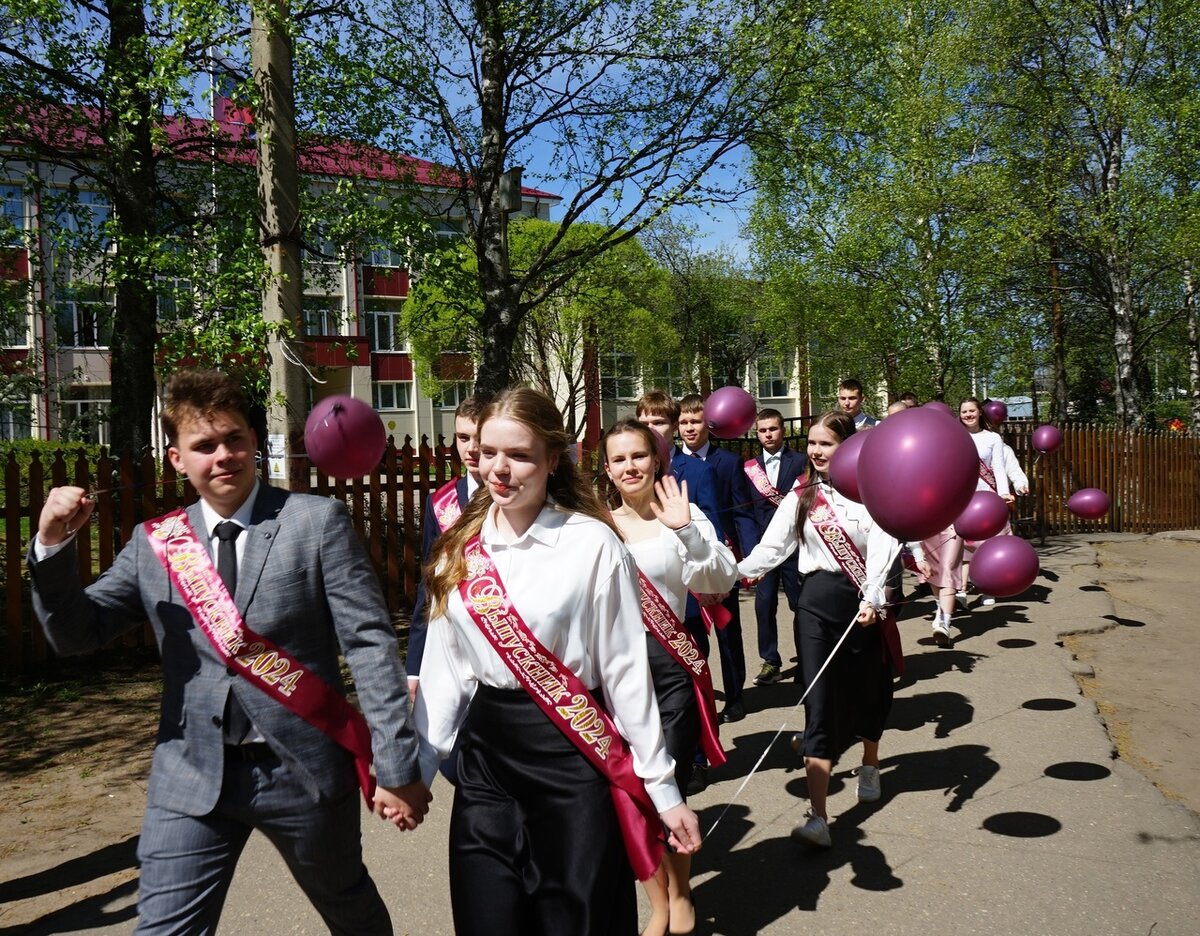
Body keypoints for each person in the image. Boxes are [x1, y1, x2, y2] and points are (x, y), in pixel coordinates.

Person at [28, 369, 431, 935]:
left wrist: (394, 764)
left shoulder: (314, 524)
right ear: (176, 459)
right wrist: (51, 545)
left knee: (349, 910)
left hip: (303, 772)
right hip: (191, 772)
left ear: (253, 444)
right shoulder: (155, 543)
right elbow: (76, 635)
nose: (223, 456)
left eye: (235, 439)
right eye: (205, 445)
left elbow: (369, 646)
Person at [414, 387, 701, 936]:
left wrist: (664, 792)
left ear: (553, 459)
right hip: (488, 765)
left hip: (573, 760)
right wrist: (419, 772)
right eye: (489, 452)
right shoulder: (458, 550)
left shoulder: (592, 543)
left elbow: (624, 674)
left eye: (519, 455)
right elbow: (445, 672)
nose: (500, 468)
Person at [738, 411, 900, 848]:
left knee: (870, 691)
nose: (815, 451)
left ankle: (869, 761)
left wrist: (873, 598)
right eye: (811, 443)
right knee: (817, 701)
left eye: (825, 444)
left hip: (859, 605)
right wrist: (730, 575)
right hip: (812, 604)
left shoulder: (870, 495)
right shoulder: (801, 495)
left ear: (847, 448)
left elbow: (885, 548)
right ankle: (819, 816)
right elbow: (771, 549)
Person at [603, 418, 737, 936]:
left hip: (671, 667)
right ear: (608, 470)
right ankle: (657, 900)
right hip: (612, 670)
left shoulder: (683, 513)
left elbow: (721, 578)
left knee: (673, 783)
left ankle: (680, 894)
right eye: (618, 459)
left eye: (638, 456)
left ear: (656, 460)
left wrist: (685, 531)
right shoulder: (595, 523)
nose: (630, 467)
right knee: (631, 787)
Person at [677, 393, 759, 725]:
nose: (688, 428)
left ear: (708, 425)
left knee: (727, 629)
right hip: (684, 565)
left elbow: (742, 511)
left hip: (721, 561)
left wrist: (749, 557)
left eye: (695, 421)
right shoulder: (668, 464)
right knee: (692, 633)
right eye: (683, 422)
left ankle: (735, 695)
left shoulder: (728, 462)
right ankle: (698, 696)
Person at [406, 393, 489, 702]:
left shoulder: (519, 496)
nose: (472, 448)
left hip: (506, 640)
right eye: (463, 437)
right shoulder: (439, 503)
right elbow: (429, 586)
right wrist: (414, 667)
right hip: (451, 644)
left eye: (479, 437)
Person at [742, 408, 807, 685]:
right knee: (764, 605)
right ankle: (770, 661)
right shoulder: (749, 468)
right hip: (765, 548)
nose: (768, 434)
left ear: (783, 430)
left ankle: (807, 658)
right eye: (762, 430)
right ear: (757, 434)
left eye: (773, 429)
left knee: (800, 605)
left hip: (794, 546)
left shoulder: (801, 461)